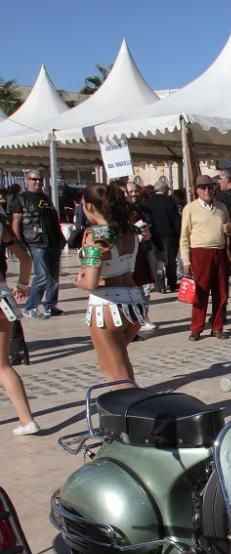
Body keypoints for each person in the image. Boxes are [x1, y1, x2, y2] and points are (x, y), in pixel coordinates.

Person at [74, 183, 149, 382]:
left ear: (89, 207)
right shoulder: (131, 230)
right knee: (118, 364)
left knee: (116, 373)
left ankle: (127, 409)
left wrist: (78, 281)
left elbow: (90, 282)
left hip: (107, 305)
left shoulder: (95, 234)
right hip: (134, 302)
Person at [180, 175, 231, 341]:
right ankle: (196, 328)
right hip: (200, 253)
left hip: (220, 252)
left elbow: (228, 228)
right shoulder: (190, 209)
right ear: (197, 190)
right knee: (200, 293)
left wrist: (229, 230)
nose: (207, 191)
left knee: (222, 293)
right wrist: (186, 261)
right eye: (203, 187)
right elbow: (184, 237)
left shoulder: (222, 208)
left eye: (210, 187)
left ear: (215, 188)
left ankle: (217, 327)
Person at [0, 220, 39, 435]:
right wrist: (23, 284)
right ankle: (27, 419)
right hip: (3, 297)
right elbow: (25, 258)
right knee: (3, 366)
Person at [10, 170, 64, 318]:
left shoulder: (45, 198)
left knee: (54, 277)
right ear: (28, 180)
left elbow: (54, 220)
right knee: (41, 276)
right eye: (34, 179)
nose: (38, 182)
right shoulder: (21, 199)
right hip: (36, 243)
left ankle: (51, 306)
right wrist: (19, 243)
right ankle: (30, 306)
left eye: (40, 179)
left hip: (53, 242)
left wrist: (61, 238)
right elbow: (16, 223)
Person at [142, 182, 182, 292]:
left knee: (157, 260)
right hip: (169, 236)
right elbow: (176, 220)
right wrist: (179, 234)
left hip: (153, 235)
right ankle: (172, 283)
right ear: (164, 190)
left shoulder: (147, 203)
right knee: (170, 260)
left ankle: (159, 286)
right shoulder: (170, 201)